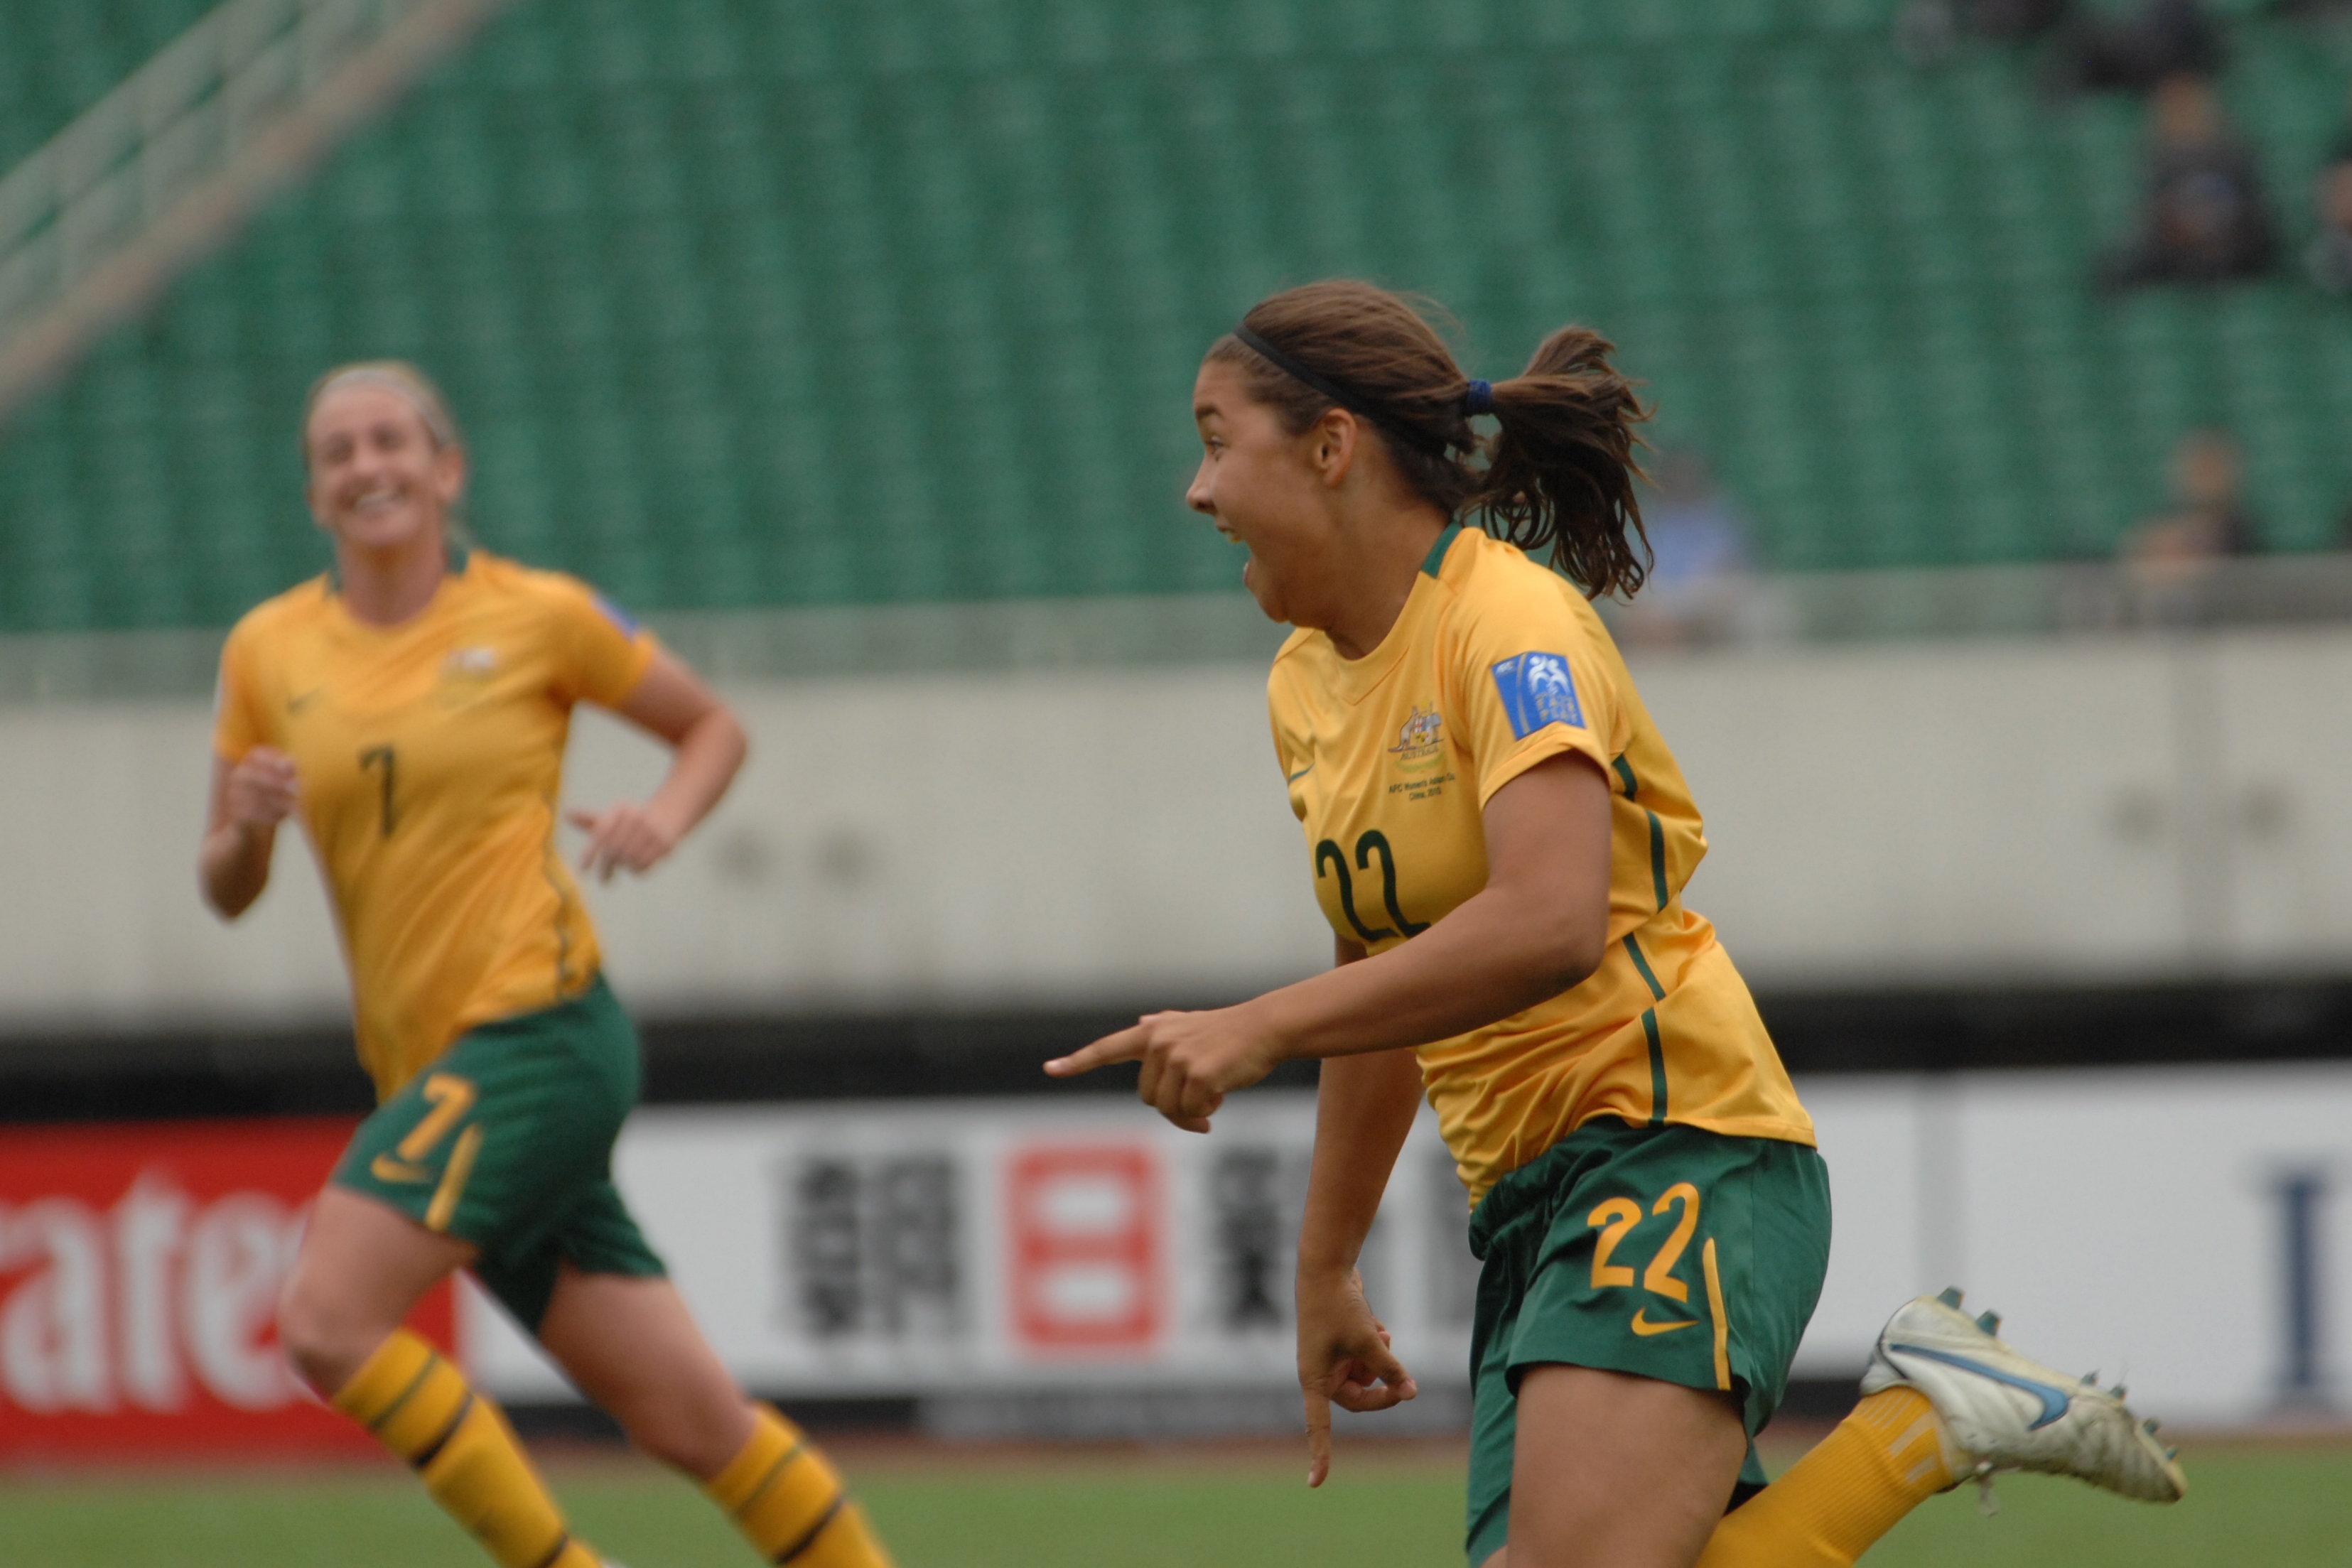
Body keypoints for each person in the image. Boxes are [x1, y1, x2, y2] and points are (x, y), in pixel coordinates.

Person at [1047, 282, 2184, 1568]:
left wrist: (1255, 1028)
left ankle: (1919, 1427)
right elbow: (1384, 967)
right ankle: (1930, 1416)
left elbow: (1550, 920)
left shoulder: (1510, 623)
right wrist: (1324, 1264)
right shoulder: (1306, 683)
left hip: (1672, 1143)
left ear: (1330, 446)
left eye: (1214, 438)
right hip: (1531, 1207)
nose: (1197, 490)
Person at [201, 362, 891, 1568]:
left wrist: (664, 818)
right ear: (314, 493)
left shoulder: (538, 613)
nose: (367, 467)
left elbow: (712, 725)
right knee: (690, 1418)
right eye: (338, 453)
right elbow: (225, 887)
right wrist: (246, 824)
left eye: (389, 442)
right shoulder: (267, 648)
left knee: (326, 1319)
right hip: (433, 1069)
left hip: (543, 1034)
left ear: (446, 467)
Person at [2098, 73, 2277, 290]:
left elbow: (2254, 225)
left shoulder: (2236, 161)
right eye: (2174, 110)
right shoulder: (2158, 169)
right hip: (2175, 265)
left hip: (2236, 264)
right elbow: (2155, 230)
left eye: (2189, 108)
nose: (2184, 118)